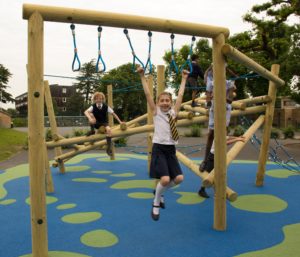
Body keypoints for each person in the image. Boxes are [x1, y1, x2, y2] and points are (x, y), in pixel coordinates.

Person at [137, 66, 189, 221]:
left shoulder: (174, 113)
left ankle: (159, 193)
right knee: (165, 179)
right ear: (158, 103)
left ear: (171, 103)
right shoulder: (156, 112)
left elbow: (180, 95)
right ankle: (156, 202)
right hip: (159, 149)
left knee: (179, 178)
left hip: (171, 150)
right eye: (162, 101)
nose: (165, 103)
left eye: (167, 101)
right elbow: (147, 94)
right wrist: (142, 77)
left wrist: (184, 79)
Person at [199, 64, 236, 172]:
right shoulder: (211, 82)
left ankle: (218, 160)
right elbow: (206, 77)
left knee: (221, 135)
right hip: (214, 110)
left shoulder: (229, 83)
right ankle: (205, 160)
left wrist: (221, 96)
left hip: (225, 109)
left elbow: (229, 100)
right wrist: (210, 66)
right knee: (211, 134)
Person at [198, 131, 246, 198]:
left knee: (218, 175)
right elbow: (226, 143)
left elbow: (228, 137)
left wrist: (238, 137)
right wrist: (237, 139)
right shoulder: (218, 137)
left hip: (218, 157)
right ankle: (202, 190)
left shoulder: (221, 135)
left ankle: (217, 192)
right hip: (213, 157)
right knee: (209, 175)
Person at [84, 92, 124, 156]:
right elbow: (85, 112)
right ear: (95, 99)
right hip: (96, 122)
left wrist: (120, 122)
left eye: (100, 98)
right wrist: (90, 118)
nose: (99, 100)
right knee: (90, 113)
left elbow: (113, 114)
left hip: (103, 122)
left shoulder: (106, 106)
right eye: (97, 98)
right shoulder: (93, 106)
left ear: (102, 99)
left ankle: (108, 148)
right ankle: (92, 130)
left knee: (109, 130)